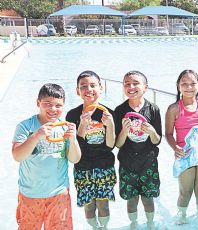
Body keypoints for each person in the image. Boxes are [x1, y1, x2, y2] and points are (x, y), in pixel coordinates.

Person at [12, 83, 81, 229]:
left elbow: (75, 159)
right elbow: (17, 155)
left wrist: (73, 139)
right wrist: (37, 135)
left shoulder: (65, 128)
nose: (53, 109)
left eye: (58, 105)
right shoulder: (26, 126)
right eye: (47, 104)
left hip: (59, 194)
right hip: (30, 193)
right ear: (38, 103)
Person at [165, 69, 198, 225]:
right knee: (185, 191)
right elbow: (168, 134)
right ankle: (181, 216)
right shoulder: (174, 108)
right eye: (184, 84)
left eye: (193, 83)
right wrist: (176, 148)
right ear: (178, 86)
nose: (189, 87)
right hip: (185, 154)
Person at [66, 71, 116, 229]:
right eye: (83, 86)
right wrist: (81, 126)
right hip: (83, 167)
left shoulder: (108, 113)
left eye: (93, 85)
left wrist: (111, 125)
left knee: (104, 205)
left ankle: (104, 227)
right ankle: (94, 227)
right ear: (77, 91)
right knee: (88, 206)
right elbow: (74, 146)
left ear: (101, 88)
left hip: (104, 166)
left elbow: (110, 145)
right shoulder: (72, 114)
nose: (89, 89)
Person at [114, 71, 162, 229]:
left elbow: (157, 140)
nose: (131, 87)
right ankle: (133, 225)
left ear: (145, 87)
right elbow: (118, 144)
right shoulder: (120, 110)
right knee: (131, 199)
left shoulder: (153, 109)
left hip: (148, 162)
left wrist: (151, 132)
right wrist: (124, 131)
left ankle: (150, 224)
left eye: (135, 83)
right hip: (127, 163)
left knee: (148, 199)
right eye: (127, 84)